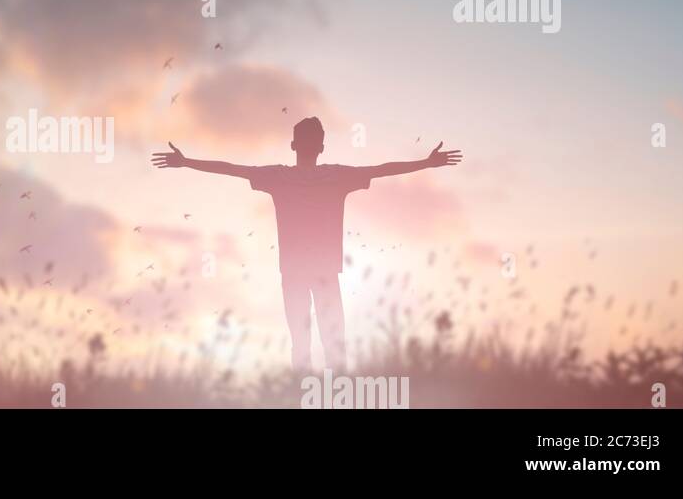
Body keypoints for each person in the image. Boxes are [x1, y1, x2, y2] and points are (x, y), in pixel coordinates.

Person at [151, 116, 462, 371]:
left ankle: (321, 400)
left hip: (310, 272)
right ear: (317, 146)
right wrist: (187, 161)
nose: (312, 142)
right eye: (311, 137)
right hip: (309, 273)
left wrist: (425, 163)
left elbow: (232, 168)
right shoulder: (311, 176)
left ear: (296, 144)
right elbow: (232, 168)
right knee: (320, 342)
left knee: (320, 342)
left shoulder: (292, 177)